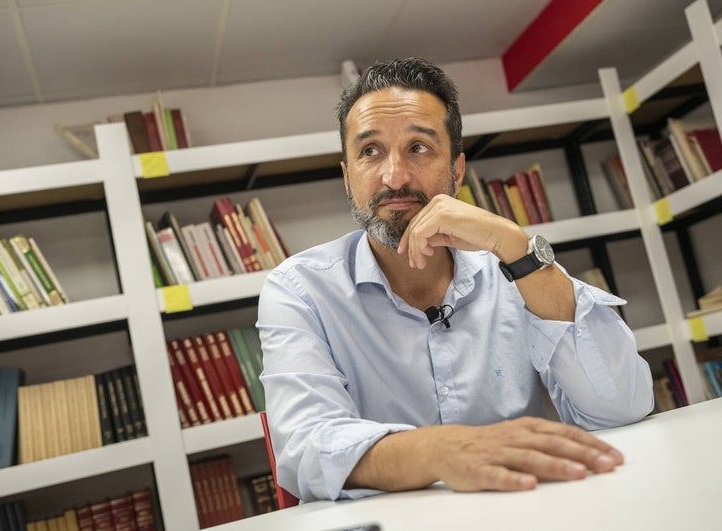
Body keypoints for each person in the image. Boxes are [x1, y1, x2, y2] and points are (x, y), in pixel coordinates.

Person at [256, 57, 654, 503]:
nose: (395, 176)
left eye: (419, 148)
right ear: (348, 178)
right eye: (370, 151)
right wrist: (441, 452)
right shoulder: (299, 290)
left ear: (458, 170)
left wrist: (518, 249)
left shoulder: (511, 264)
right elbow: (306, 451)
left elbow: (622, 406)